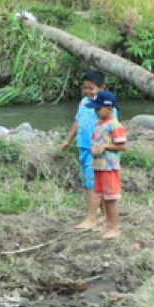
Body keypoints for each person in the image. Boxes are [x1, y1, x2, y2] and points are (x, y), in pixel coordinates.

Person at [59, 70, 118, 230]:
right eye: (85, 88)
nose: (87, 91)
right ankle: (105, 216)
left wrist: (105, 147)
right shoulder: (84, 102)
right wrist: (67, 140)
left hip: (98, 151)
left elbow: (113, 127)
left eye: (91, 88)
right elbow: (77, 122)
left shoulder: (107, 105)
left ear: (101, 87)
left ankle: (91, 219)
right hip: (84, 147)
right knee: (89, 183)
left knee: (93, 185)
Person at [88, 90, 127, 239]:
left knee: (111, 198)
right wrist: (94, 149)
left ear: (110, 108)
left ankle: (115, 228)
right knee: (103, 196)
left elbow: (122, 146)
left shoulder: (115, 125)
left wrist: (104, 147)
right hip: (98, 166)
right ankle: (108, 226)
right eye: (95, 109)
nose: (96, 111)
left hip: (109, 167)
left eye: (99, 108)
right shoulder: (99, 124)